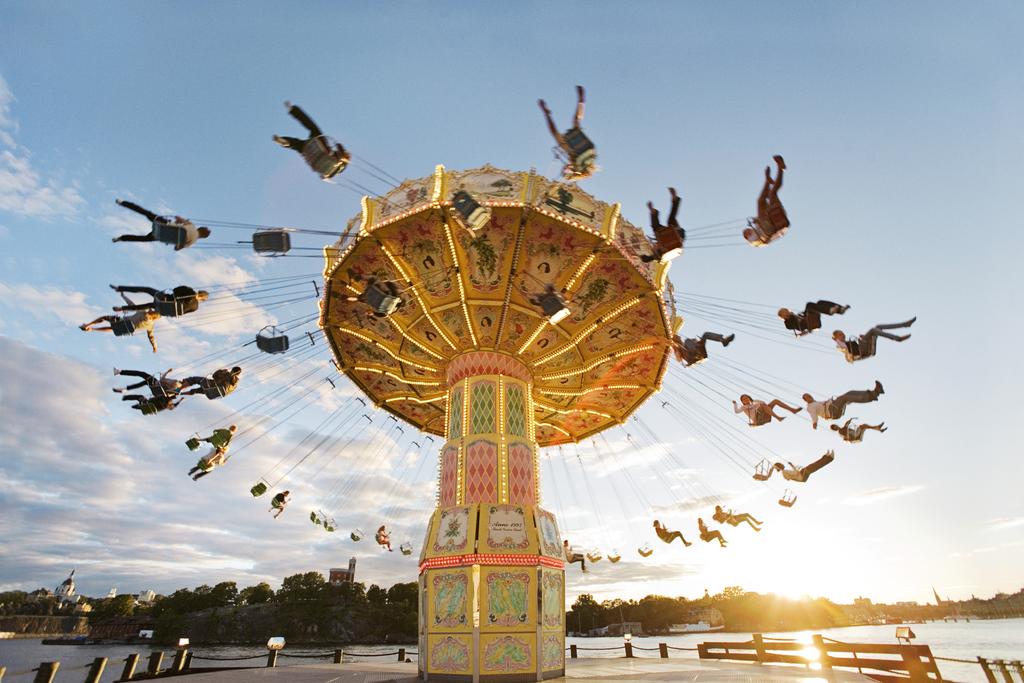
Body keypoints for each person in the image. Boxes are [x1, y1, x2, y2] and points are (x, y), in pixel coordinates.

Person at [273, 101, 350, 179]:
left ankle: (293, 110)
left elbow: (339, 147)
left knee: (313, 128)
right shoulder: (331, 171)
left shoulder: (340, 161)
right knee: (297, 145)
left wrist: (341, 149)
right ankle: (285, 142)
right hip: (310, 154)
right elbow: (324, 176)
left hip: (319, 148)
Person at [538, 85, 596, 181]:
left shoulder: (581, 166)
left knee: (575, 122)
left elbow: (569, 172)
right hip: (581, 152)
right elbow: (570, 174)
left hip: (585, 150)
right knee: (559, 134)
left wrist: (567, 169)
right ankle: (547, 114)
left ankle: (580, 102)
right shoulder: (579, 168)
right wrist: (567, 170)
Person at [111, 199, 211, 250]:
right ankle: (121, 238)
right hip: (160, 236)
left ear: (200, 228)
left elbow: (178, 218)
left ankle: (122, 203)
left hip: (163, 224)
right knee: (142, 239)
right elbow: (177, 248)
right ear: (202, 237)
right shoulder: (191, 242)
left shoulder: (192, 226)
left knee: (146, 213)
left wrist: (180, 221)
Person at [80, 301, 160, 353]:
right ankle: (93, 329)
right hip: (127, 330)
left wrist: (123, 296)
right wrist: (154, 347)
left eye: (152, 310)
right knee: (112, 329)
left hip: (124, 322)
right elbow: (151, 337)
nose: (151, 309)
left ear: (154, 313)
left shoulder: (144, 312)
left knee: (105, 318)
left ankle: (88, 325)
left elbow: (132, 305)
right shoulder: (151, 325)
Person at [743, 155, 789, 247]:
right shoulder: (754, 241)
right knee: (771, 194)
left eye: (747, 231)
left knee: (764, 199)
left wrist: (756, 221)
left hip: (771, 220)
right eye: (747, 233)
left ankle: (768, 181)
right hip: (772, 225)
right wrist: (757, 221)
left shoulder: (756, 231)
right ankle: (779, 170)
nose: (747, 231)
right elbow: (763, 240)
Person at [803, 382, 884, 429]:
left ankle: (875, 392)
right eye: (808, 397)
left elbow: (821, 406)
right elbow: (813, 415)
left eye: (809, 395)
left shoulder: (815, 403)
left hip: (832, 406)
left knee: (850, 393)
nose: (810, 397)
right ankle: (873, 395)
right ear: (806, 400)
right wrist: (814, 423)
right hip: (832, 411)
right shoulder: (810, 407)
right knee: (846, 397)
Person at [833, 318, 916, 362]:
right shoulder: (839, 345)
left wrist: (862, 338)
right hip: (864, 351)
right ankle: (898, 338)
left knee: (878, 327)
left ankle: (905, 324)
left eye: (842, 333)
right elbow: (842, 347)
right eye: (840, 335)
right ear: (836, 338)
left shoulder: (848, 343)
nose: (843, 335)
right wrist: (835, 339)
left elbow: (854, 346)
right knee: (873, 330)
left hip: (864, 346)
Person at [110, 284, 209, 317]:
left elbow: (175, 290)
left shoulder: (190, 290)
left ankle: (120, 288)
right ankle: (121, 308)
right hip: (165, 310)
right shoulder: (195, 307)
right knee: (148, 305)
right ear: (202, 300)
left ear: (199, 291)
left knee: (147, 289)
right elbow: (182, 313)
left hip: (163, 299)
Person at [642, 187, 685, 262]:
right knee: (670, 220)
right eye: (654, 247)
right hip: (678, 234)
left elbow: (650, 258)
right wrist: (646, 258)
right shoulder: (660, 251)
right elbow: (651, 258)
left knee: (659, 226)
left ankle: (654, 212)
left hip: (673, 234)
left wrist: (645, 258)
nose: (654, 246)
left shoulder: (661, 240)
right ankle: (674, 201)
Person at [778, 300, 849, 336]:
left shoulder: (795, 315)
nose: (787, 311)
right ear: (782, 316)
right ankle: (829, 311)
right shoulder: (787, 323)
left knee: (819, 302)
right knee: (809, 305)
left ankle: (840, 309)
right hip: (807, 323)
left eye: (786, 310)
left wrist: (792, 315)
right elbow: (792, 325)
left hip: (811, 318)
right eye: (785, 312)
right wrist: (788, 316)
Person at [733, 394, 802, 426]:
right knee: (762, 405)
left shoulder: (755, 402)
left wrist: (758, 402)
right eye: (744, 399)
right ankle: (778, 418)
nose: (746, 400)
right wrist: (735, 404)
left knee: (775, 401)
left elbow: (764, 405)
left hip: (765, 416)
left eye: (746, 398)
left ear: (749, 398)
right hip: (758, 419)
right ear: (742, 402)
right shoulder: (744, 407)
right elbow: (736, 411)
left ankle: (793, 410)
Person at [112, 368, 183, 397]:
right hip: (155, 388)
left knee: (141, 373)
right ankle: (124, 389)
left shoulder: (175, 382)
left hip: (155, 383)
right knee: (142, 383)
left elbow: (162, 380)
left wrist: (167, 372)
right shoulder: (174, 390)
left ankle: (119, 372)